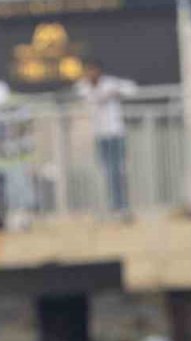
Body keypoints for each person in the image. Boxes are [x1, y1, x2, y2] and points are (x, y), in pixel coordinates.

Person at [75, 59, 136, 220]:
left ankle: (123, 207)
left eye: (93, 71)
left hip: (115, 133)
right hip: (100, 135)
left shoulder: (111, 83)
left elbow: (131, 89)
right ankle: (110, 206)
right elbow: (89, 98)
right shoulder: (83, 87)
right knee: (106, 172)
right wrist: (103, 94)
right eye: (88, 71)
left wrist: (115, 92)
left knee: (119, 171)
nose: (91, 74)